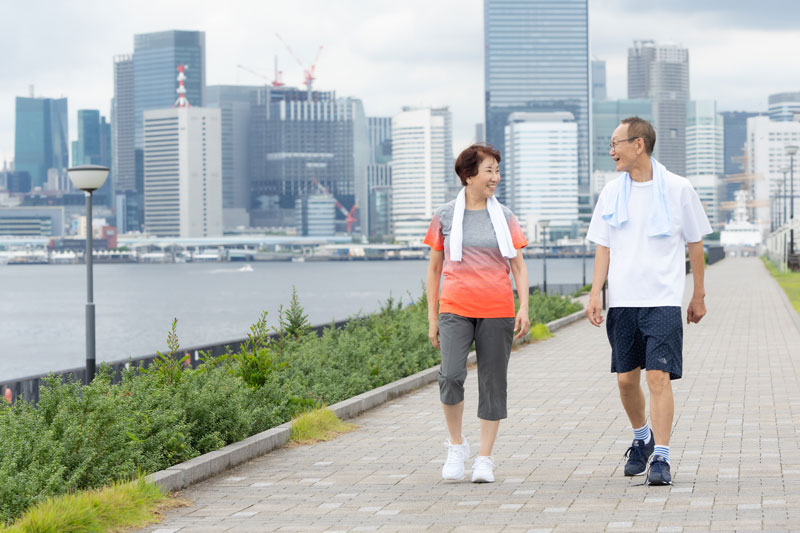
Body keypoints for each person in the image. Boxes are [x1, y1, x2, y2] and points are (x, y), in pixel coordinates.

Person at [586, 117, 711, 486]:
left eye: (616, 144)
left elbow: (695, 242)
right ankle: (642, 439)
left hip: (664, 300)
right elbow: (603, 247)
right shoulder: (612, 192)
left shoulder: (678, 188)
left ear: (638, 144)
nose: (611, 152)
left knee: (658, 376)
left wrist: (698, 293)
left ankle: (662, 458)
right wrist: (596, 293)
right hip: (623, 300)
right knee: (627, 380)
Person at [424, 143, 530, 483]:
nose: (495, 178)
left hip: (497, 309)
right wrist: (432, 318)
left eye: (498, 171)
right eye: (489, 171)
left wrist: (524, 307)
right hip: (455, 308)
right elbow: (434, 269)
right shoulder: (443, 216)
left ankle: (485, 457)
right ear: (469, 175)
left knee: (493, 382)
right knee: (451, 375)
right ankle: (457, 445)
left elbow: (518, 266)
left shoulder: (506, 216)